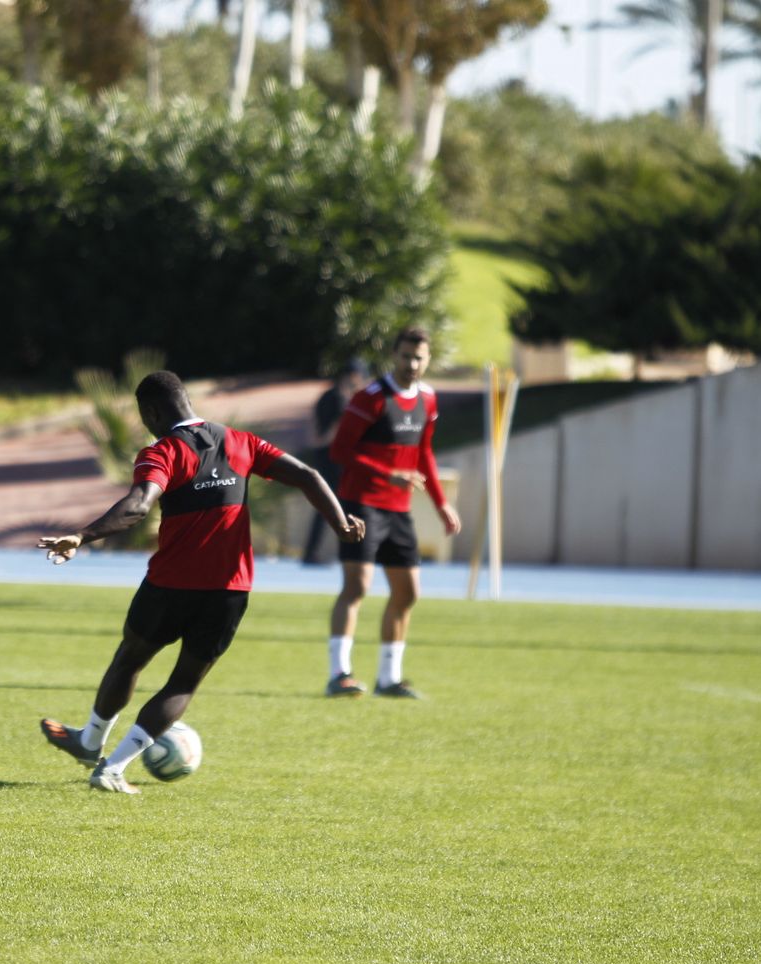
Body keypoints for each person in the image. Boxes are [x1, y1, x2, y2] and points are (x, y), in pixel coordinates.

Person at [37, 370, 365, 794]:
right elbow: (308, 475)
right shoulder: (241, 443)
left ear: (151, 412)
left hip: (170, 585)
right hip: (229, 591)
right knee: (184, 682)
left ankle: (91, 741)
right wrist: (339, 524)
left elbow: (138, 506)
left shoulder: (164, 451)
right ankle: (111, 767)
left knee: (131, 658)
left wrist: (82, 536)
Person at [325, 326, 461, 699]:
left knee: (408, 592)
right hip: (361, 503)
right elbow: (339, 451)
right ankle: (339, 674)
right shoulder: (370, 398)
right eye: (405, 356)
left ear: (428, 359)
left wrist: (441, 503)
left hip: (398, 510)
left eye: (419, 357)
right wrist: (389, 473)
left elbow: (425, 453)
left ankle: (389, 679)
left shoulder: (428, 400)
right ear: (394, 356)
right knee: (357, 587)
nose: (412, 364)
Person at [301, 358, 370, 565]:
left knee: (326, 504)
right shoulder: (340, 399)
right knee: (336, 504)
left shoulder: (327, 396)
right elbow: (336, 428)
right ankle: (348, 551)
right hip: (333, 457)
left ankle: (315, 550)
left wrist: (317, 443)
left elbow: (314, 427)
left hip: (323, 455)